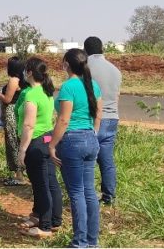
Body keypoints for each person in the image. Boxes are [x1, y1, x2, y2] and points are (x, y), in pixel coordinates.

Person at [50, 48, 103, 248]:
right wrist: (93, 134)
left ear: (67, 65)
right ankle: (92, 241)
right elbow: (98, 114)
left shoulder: (68, 87)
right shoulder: (93, 85)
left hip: (72, 140)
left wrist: (53, 144)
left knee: (77, 192)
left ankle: (79, 241)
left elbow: (63, 120)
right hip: (90, 137)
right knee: (89, 191)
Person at [17, 57, 62, 238]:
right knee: (50, 182)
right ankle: (55, 220)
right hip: (48, 139)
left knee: (41, 185)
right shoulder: (47, 91)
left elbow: (29, 125)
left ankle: (45, 226)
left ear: (29, 72)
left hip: (36, 142)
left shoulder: (31, 94)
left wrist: (22, 150)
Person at [84, 36, 121, 206]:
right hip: (112, 118)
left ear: (85, 51)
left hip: (93, 119)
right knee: (107, 161)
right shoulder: (115, 70)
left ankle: (88, 196)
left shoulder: (86, 68)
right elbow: (117, 96)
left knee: (87, 160)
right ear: (102, 49)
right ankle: (109, 196)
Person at [0, 56, 26, 186]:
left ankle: (18, 174)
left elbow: (8, 99)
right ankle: (20, 171)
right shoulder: (24, 80)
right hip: (19, 111)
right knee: (18, 140)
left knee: (12, 142)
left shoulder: (13, 80)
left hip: (11, 111)